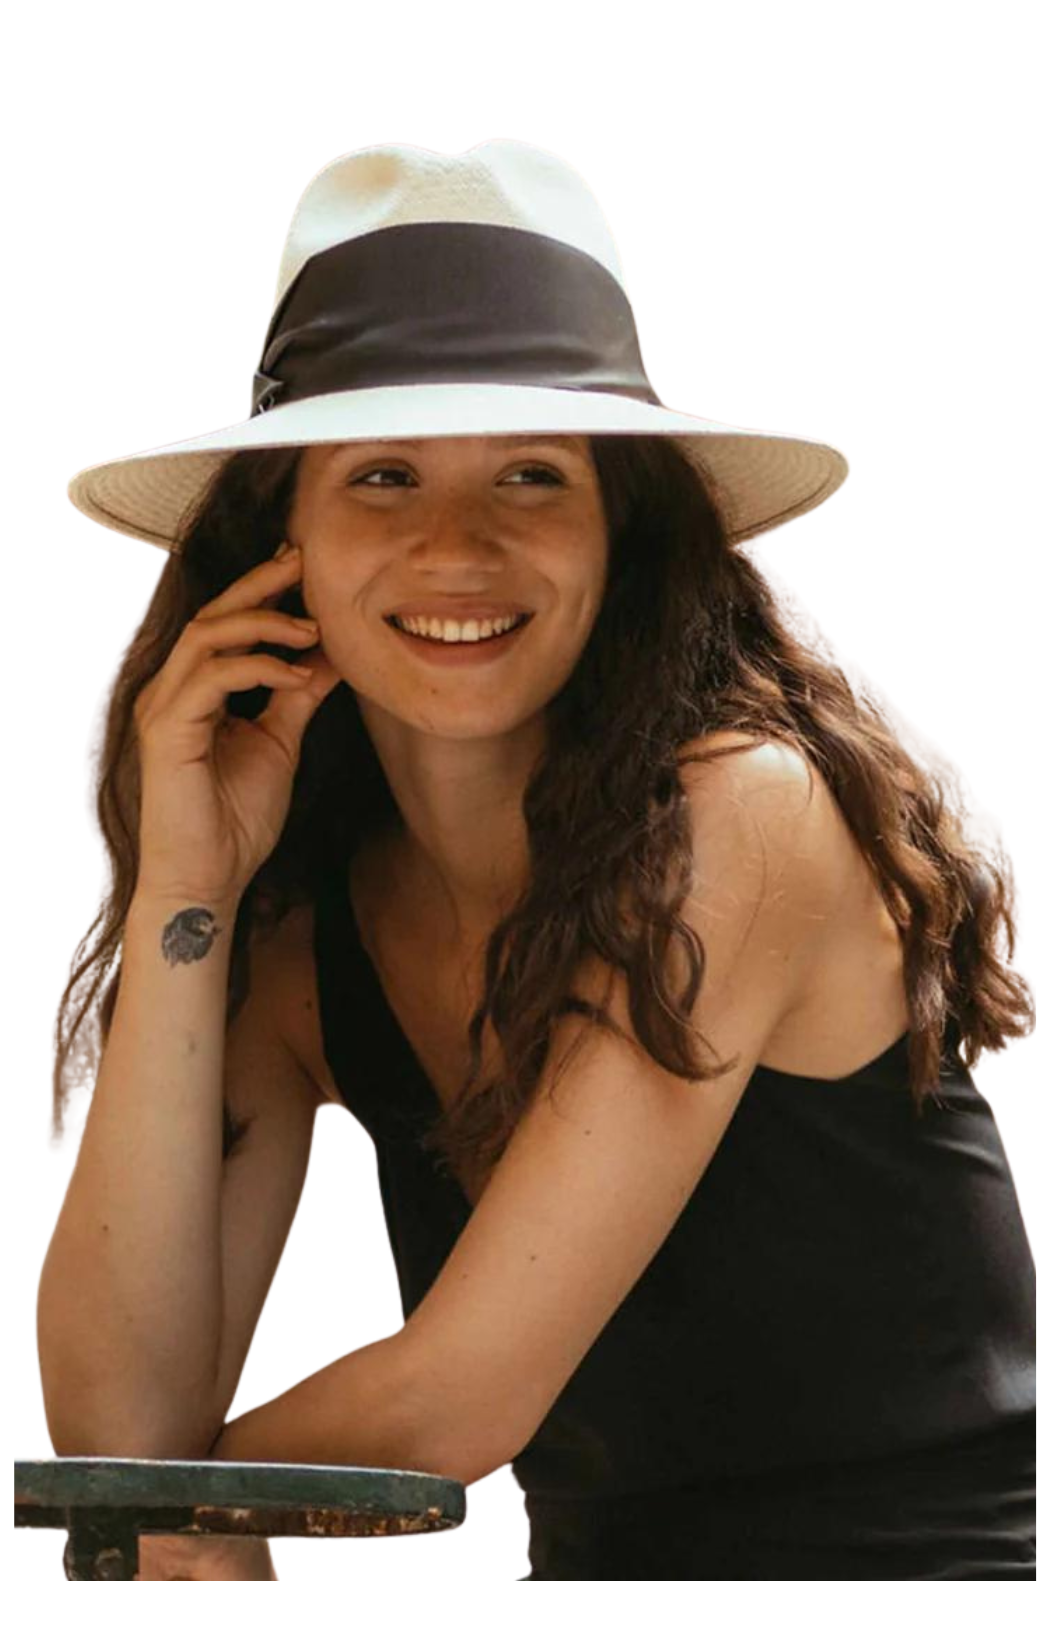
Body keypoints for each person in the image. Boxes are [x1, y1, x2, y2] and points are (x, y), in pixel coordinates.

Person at [38, 140, 1035, 1581]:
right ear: (280, 542)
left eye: (530, 474)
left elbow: (453, 1403)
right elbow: (116, 1429)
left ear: (618, 526)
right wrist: (186, 890)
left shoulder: (743, 814)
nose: (459, 545)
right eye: (383, 476)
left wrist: (183, 1509)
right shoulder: (302, 939)